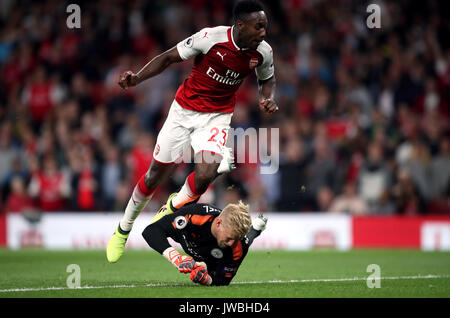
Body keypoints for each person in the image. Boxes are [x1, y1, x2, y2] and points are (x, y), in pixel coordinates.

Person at [107, 0, 277, 263]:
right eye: (259, 27)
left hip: (217, 117)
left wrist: (267, 97)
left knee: (207, 172)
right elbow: (167, 58)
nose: (263, 32)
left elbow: (267, 79)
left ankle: (172, 207)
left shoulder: (263, 52)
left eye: (265, 26)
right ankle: (123, 229)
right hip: (183, 111)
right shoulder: (210, 38)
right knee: (153, 177)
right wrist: (138, 78)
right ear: (240, 25)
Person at [142, 200, 268, 286]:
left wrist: (207, 280)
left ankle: (254, 230)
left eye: (235, 239)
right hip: (189, 237)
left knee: (245, 242)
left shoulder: (237, 245)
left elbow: (224, 280)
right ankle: (255, 228)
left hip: (214, 258)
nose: (231, 243)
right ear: (218, 223)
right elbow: (150, 231)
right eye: (229, 238)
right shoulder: (195, 215)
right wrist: (176, 258)